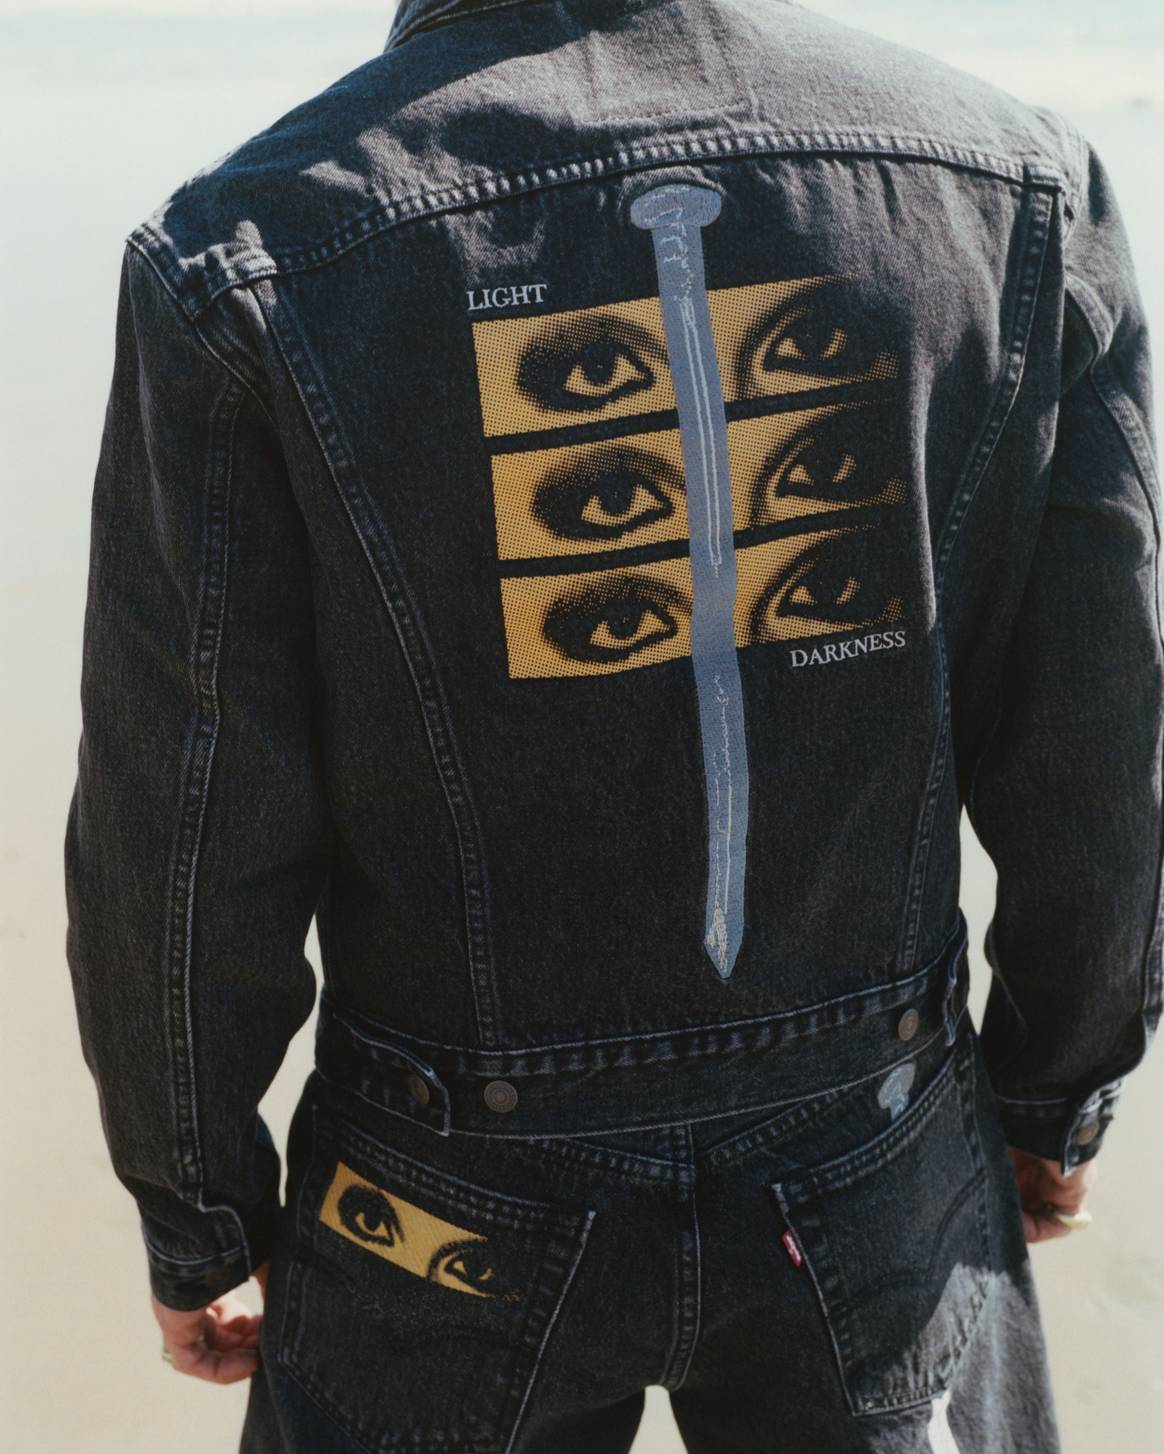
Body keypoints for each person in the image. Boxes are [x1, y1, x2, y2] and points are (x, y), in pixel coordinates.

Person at [63, 1, 1160, 1449]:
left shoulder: (251, 255)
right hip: (881, 1148)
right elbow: (1104, 723)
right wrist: (1057, 1083)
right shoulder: (1011, 192)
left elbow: (188, 818)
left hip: (438, 1192)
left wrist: (198, 1204)